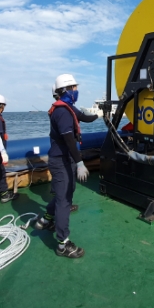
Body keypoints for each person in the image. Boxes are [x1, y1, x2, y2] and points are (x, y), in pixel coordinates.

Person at [34, 74, 98, 258]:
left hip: (67, 159)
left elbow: (83, 118)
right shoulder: (62, 112)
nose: (76, 90)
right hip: (61, 160)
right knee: (64, 201)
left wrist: (100, 114)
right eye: (74, 88)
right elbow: (69, 140)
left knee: (67, 193)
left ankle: (46, 219)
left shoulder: (68, 107)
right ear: (66, 90)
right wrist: (80, 163)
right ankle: (63, 244)